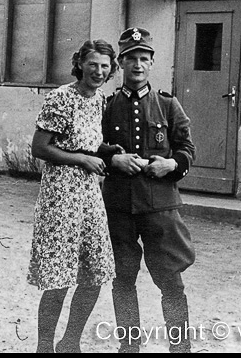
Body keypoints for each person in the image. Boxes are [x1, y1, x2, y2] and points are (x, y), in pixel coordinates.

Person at [102, 27, 196, 353]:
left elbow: (186, 150)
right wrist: (114, 159)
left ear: (152, 63)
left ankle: (179, 348)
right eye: (131, 59)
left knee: (171, 280)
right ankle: (129, 347)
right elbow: (91, 148)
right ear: (121, 63)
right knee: (123, 278)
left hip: (160, 208)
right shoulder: (107, 106)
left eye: (144, 58)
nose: (137, 65)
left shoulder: (168, 106)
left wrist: (172, 166)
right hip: (119, 207)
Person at [27, 39, 120, 353]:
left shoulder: (99, 100)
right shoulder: (61, 98)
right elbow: (40, 148)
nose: (98, 71)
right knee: (59, 275)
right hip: (61, 197)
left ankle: (70, 342)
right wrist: (82, 159)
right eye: (92, 64)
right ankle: (44, 347)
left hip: (91, 197)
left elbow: (85, 142)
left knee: (95, 273)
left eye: (105, 66)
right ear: (80, 63)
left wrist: (106, 151)